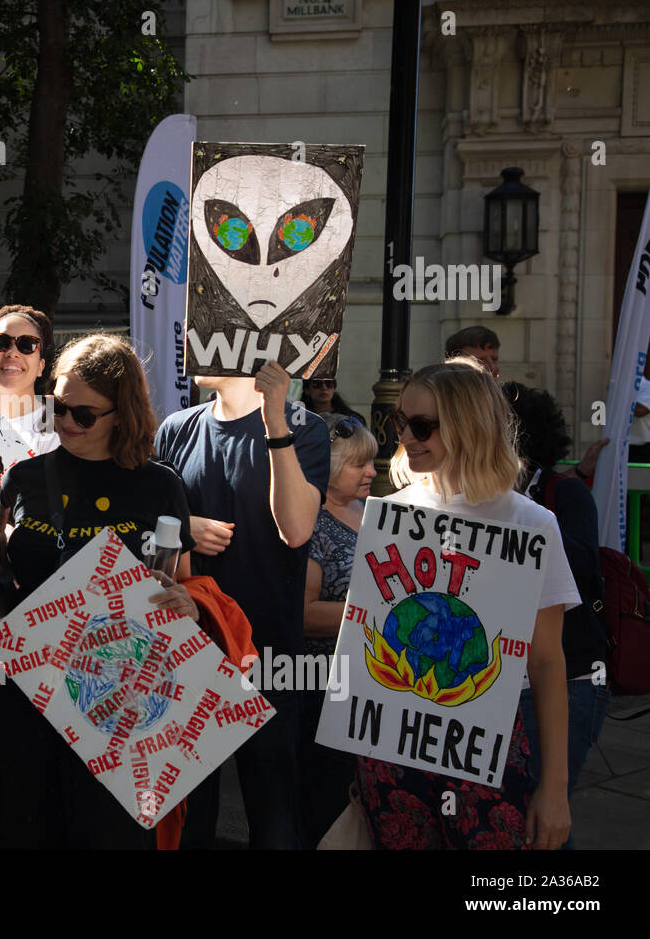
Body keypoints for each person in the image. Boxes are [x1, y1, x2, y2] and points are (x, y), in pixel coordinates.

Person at [0, 333, 199, 848]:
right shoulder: (24, 479)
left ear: (122, 414)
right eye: (58, 406)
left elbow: (182, 584)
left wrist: (186, 604)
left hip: (116, 693)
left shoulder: (159, 484)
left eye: (83, 415)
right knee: (30, 826)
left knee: (107, 832)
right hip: (30, 688)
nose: (64, 423)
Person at [356, 359, 575, 850]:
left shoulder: (532, 525)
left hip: (486, 747)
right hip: (390, 746)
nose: (406, 435)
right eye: (400, 421)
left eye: (423, 425)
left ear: (468, 425)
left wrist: (555, 789)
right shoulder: (390, 514)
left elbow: (546, 661)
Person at [154, 362, 330, 849]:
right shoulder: (176, 429)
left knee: (274, 817)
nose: (190, 349)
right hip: (189, 654)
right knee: (190, 819)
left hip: (268, 653)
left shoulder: (305, 427)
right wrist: (186, 526)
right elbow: (154, 528)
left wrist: (276, 421)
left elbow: (296, 529)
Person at [503, 382, 608, 844]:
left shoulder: (559, 494)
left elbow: (583, 568)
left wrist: (521, 523)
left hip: (571, 676)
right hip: (507, 680)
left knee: (542, 822)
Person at [300, 413, 377, 847]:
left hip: (373, 684)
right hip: (326, 690)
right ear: (326, 467)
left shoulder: (368, 510)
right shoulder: (309, 522)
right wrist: (372, 610)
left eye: (371, 462)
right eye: (358, 464)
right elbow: (303, 614)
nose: (371, 472)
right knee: (329, 806)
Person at [0, 304, 60, 456]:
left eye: (27, 345)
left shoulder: (58, 426)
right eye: (1, 343)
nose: (12, 352)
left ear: (40, 367)